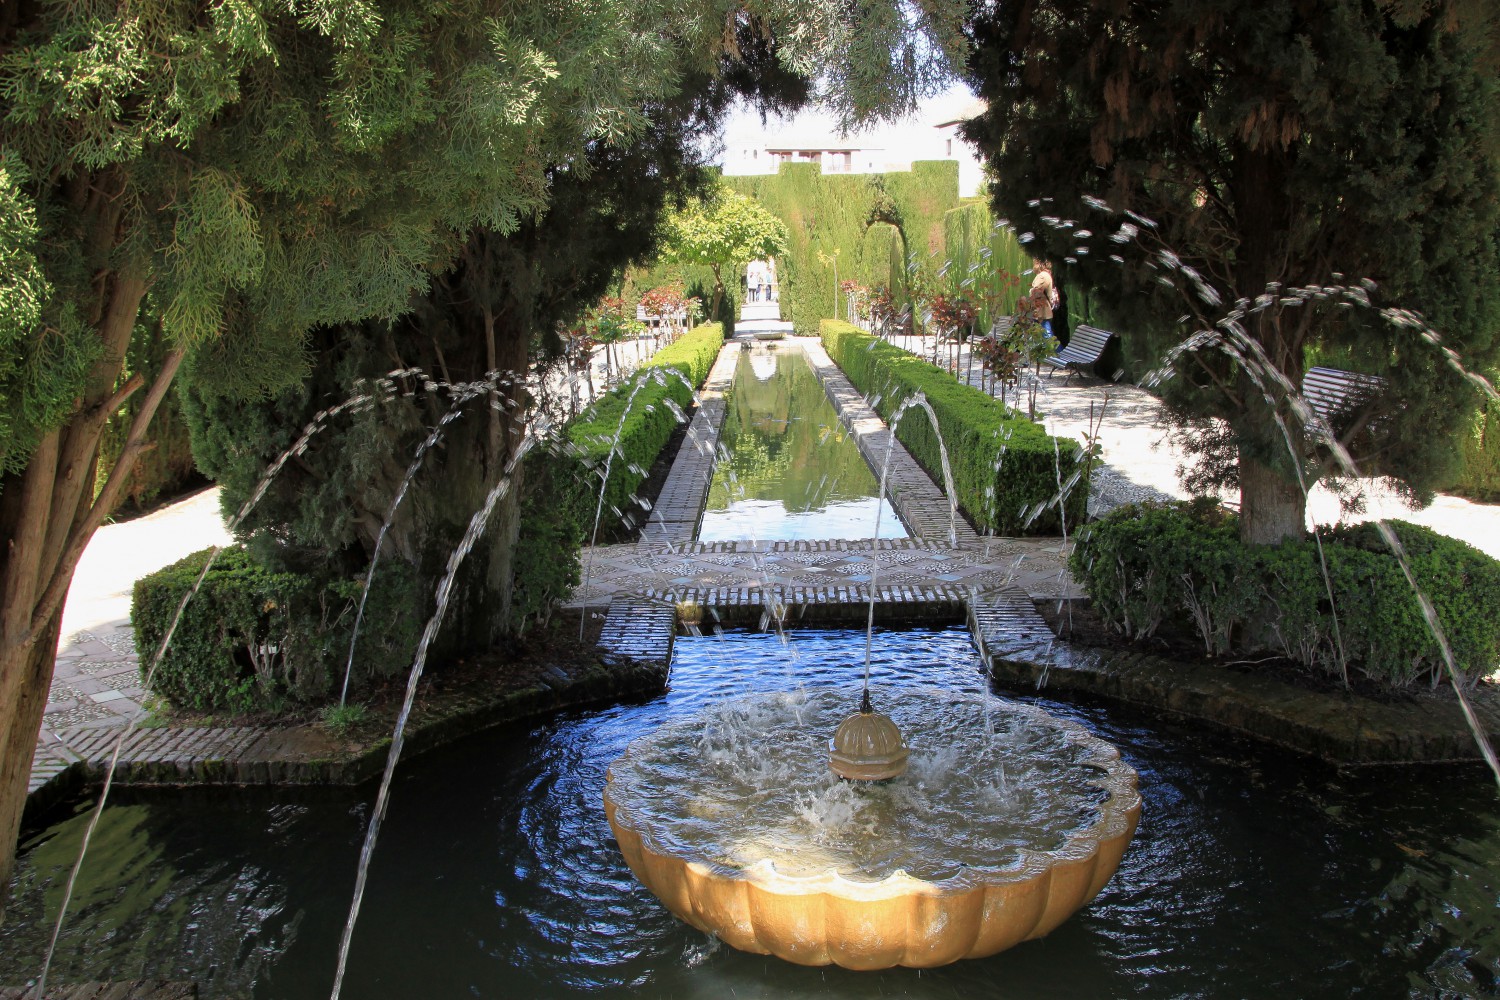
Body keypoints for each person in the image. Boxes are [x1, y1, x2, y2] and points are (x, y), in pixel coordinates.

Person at [1030, 261, 1056, 337]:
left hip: (1041, 309)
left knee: (1047, 335)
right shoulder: (1046, 275)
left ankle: (1058, 349)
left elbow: (1036, 291)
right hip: (1041, 308)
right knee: (1044, 333)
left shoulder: (1043, 276)